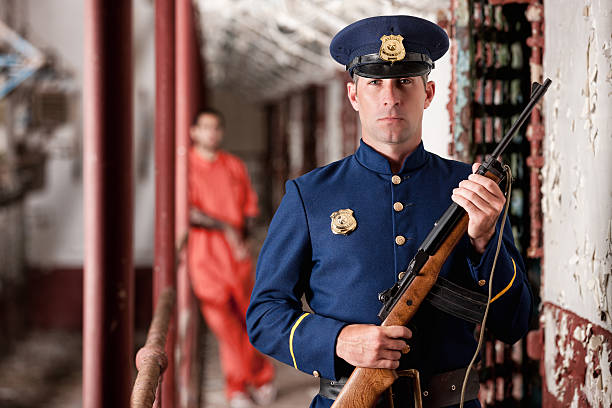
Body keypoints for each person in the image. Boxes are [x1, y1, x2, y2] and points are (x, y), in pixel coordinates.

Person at [246, 15, 533, 408]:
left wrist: (484, 242)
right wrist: (338, 341)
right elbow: (264, 315)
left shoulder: (472, 190)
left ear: (428, 93)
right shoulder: (309, 195)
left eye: (405, 82)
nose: (390, 97)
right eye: (375, 83)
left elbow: (514, 323)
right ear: (353, 95)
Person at [188, 109, 275, 408]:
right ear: (193, 132)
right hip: (205, 259)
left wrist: (246, 239)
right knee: (224, 327)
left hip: (237, 259)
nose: (211, 133)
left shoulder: (233, 166)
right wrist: (226, 228)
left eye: (216, 128)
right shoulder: (185, 167)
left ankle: (257, 378)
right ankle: (241, 385)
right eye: (205, 128)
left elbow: (250, 207)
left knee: (247, 319)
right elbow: (189, 212)